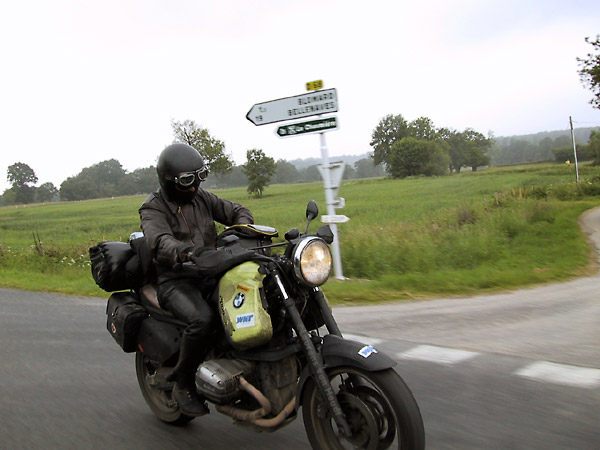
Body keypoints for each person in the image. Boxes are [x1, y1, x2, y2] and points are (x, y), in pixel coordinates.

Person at [139, 143, 254, 416]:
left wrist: (243, 230)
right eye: (187, 182)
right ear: (168, 181)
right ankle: (182, 381)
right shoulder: (153, 208)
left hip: (210, 271)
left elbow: (235, 210)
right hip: (175, 279)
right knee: (203, 319)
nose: (194, 187)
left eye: (198, 178)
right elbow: (158, 242)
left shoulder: (201, 197)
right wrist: (184, 252)